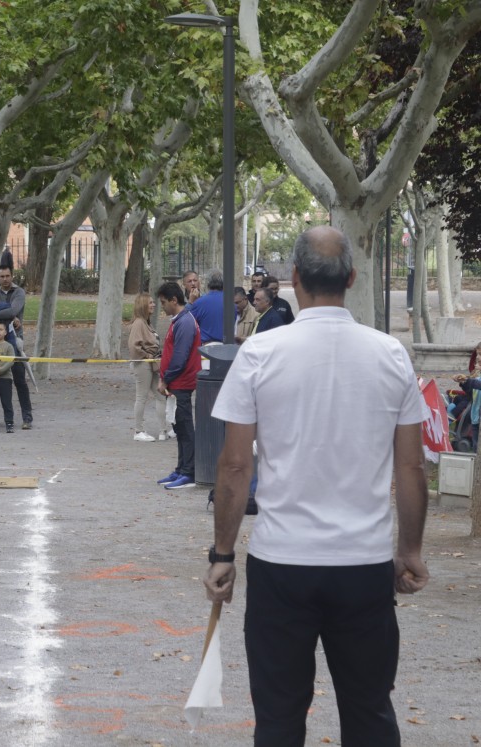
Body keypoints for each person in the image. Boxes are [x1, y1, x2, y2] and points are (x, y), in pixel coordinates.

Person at [204, 225, 429, 746]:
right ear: (351, 277)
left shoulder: (260, 354)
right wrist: (410, 550)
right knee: (370, 713)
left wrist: (221, 553)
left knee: (279, 719)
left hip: (282, 563)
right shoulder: (391, 355)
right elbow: (411, 467)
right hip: (364, 564)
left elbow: (235, 467)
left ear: (294, 280)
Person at [156, 282, 201, 490]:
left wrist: (166, 378)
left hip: (181, 382)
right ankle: (182, 468)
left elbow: (180, 357)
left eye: (164, 302)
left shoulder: (184, 323)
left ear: (174, 300)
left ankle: (189, 471)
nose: (162, 307)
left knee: (184, 427)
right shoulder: (180, 321)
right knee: (178, 426)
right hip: (176, 383)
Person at [0, 264, 33, 429]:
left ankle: (27, 417)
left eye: (7, 276)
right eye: (2, 276)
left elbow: (13, 310)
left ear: (12, 276)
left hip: (15, 341)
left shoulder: (18, 292)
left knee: (19, 380)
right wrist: (5, 315)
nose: (5, 279)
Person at [127, 293, 169, 442]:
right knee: (141, 396)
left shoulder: (146, 323)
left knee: (160, 395)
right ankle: (138, 431)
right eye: (150, 303)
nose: (153, 305)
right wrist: (147, 356)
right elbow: (134, 346)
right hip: (143, 364)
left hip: (152, 364)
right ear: (143, 305)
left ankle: (164, 429)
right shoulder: (139, 323)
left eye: (153, 302)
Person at [186, 269, 225, 344]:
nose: (193, 283)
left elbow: (186, 323)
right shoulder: (231, 301)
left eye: (195, 280)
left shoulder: (199, 303)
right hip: (227, 346)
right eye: (189, 281)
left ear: (207, 283)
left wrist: (190, 303)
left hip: (206, 347)